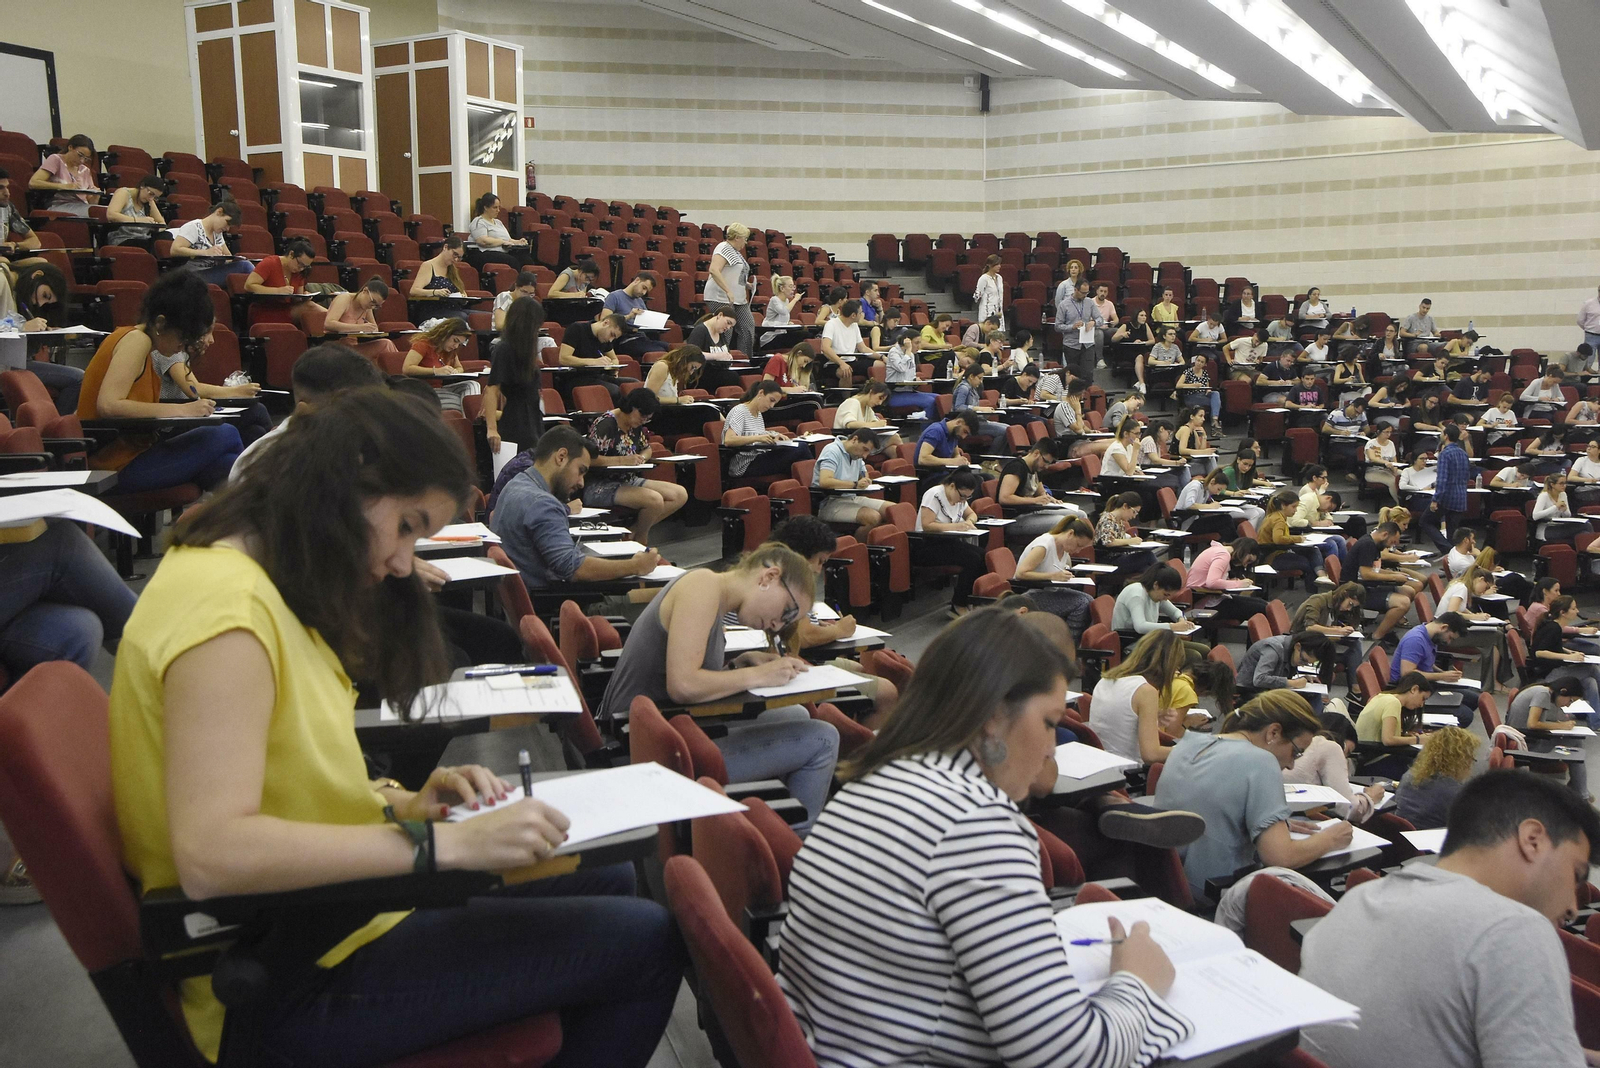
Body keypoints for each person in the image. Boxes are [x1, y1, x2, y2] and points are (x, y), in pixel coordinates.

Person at [109, 389, 683, 1066]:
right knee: (647, 941)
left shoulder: (259, 585)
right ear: (344, 488)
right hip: (288, 970)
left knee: (610, 883)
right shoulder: (226, 616)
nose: (405, 562)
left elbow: (286, 774)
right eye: (407, 525)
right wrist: (439, 849)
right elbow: (214, 855)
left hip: (323, 917)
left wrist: (402, 801)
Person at [781, 608, 1195, 1066]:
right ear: (994, 718)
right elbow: (1069, 1059)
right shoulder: (974, 825)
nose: (1047, 749)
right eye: (1047, 723)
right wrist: (1137, 981)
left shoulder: (874, 784)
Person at [1300, 771, 1598, 1068]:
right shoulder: (1514, 932)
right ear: (1533, 840)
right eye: (1576, 875)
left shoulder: (1360, 899)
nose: (1573, 906)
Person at [600, 539, 839, 819]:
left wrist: (738, 666)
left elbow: (680, 677)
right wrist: (757, 675)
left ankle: (764, 821)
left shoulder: (712, 595)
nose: (777, 625)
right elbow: (683, 686)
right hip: (641, 747)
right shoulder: (701, 586)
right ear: (769, 577)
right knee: (825, 739)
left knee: (797, 714)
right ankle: (795, 849)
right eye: (785, 612)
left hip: (661, 729)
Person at [1155, 690, 1354, 900]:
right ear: (1273, 733)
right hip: (1218, 895)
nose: (1291, 764)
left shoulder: (1188, 744)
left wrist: (1269, 823)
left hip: (1166, 886)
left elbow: (1209, 808)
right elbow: (1280, 857)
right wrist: (1329, 839)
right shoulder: (1260, 761)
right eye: (1295, 752)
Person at [76, 271, 243, 493]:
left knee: (224, 467)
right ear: (161, 323)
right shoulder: (136, 341)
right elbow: (108, 405)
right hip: (114, 465)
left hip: (132, 454)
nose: (183, 346)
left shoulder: (146, 345)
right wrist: (183, 410)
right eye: (182, 338)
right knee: (227, 434)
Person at [491, 426, 660, 592]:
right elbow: (574, 570)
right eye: (580, 471)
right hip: (556, 600)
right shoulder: (542, 503)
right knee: (656, 595)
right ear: (561, 457)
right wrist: (635, 566)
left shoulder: (515, 483)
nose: (581, 482)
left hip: (525, 596)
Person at [232, 343, 385, 478]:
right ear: (304, 411)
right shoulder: (262, 465)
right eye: (351, 413)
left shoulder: (371, 446)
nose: (363, 422)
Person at [583, 390, 687, 541]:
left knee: (679, 494)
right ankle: (641, 538)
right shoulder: (606, 424)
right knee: (654, 500)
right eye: (642, 416)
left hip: (627, 479)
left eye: (647, 419)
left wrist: (641, 458)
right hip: (600, 484)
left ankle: (632, 532)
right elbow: (589, 459)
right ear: (632, 407)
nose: (643, 421)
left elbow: (647, 448)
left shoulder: (634, 425)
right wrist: (623, 460)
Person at [1090, 629, 1188, 764]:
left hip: (1101, 763)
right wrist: (1191, 750)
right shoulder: (1146, 692)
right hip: (1128, 770)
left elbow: (1117, 722)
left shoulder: (1106, 679)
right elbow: (1151, 755)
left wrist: (1152, 716)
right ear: (1169, 666)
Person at [1284, 713, 1387, 825]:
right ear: (1342, 742)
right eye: (1347, 752)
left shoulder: (1295, 742)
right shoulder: (1329, 746)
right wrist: (1371, 797)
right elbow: (1348, 808)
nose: (1344, 759)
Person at [915, 468, 986, 615]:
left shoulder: (961, 497)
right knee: (972, 559)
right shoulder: (934, 495)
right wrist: (957, 526)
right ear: (952, 486)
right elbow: (927, 525)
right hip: (927, 545)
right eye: (962, 496)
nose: (963, 500)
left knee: (983, 555)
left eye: (967, 497)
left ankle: (971, 600)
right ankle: (958, 603)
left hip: (948, 542)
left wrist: (969, 522)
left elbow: (971, 514)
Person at [1506, 678, 1591, 800]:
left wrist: (1557, 725)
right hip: (1526, 744)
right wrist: (1561, 726)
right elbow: (1532, 724)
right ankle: (1581, 794)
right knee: (1576, 743)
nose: (1568, 704)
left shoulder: (1543, 690)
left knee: (1575, 742)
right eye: (1570, 700)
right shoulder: (1543, 694)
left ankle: (1579, 790)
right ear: (1563, 691)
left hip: (1523, 738)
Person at [1391, 612, 1477, 727]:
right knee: (1465, 715)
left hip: (1425, 684)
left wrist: (1443, 673)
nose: (1448, 642)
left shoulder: (1432, 637)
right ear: (1444, 627)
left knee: (1474, 699)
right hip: (1410, 689)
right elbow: (1407, 673)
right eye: (1450, 637)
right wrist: (1442, 677)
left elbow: (1426, 663)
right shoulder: (1415, 640)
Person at [1013, 516, 1095, 635]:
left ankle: (1069, 639)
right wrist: (1053, 576)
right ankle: (1070, 641)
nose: (1078, 550)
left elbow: (1063, 568)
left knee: (1089, 599)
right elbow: (1021, 573)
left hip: (1049, 591)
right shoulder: (1043, 546)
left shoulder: (1064, 548)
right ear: (1070, 534)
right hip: (1031, 593)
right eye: (1078, 545)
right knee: (1082, 602)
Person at [1112, 565, 1207, 659]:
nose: (1166, 599)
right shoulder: (1136, 594)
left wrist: (1181, 620)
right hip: (1133, 645)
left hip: (1150, 640)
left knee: (1204, 650)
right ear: (1156, 585)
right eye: (1166, 594)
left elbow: (1175, 612)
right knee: (1194, 656)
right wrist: (1172, 627)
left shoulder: (1155, 593)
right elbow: (1140, 627)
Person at [812, 429, 891, 540]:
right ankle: (859, 550)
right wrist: (854, 484)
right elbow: (825, 481)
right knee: (873, 518)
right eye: (865, 450)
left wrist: (865, 480)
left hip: (850, 497)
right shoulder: (832, 451)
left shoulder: (856, 455)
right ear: (855, 439)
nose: (865, 456)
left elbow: (864, 475)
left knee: (892, 510)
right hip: (829, 502)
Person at [1395, 726, 1478, 829]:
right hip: (1432, 841)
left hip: (1401, 838)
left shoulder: (1409, 776)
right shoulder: (1454, 791)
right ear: (1461, 759)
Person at [1291, 581, 1369, 690]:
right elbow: (1310, 627)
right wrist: (1338, 632)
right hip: (1305, 643)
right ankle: (1355, 688)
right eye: (1350, 604)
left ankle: (1354, 687)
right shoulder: (1318, 600)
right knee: (1351, 654)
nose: (1348, 609)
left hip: (1319, 640)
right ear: (1344, 594)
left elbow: (1323, 626)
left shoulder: (1333, 606)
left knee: (1355, 644)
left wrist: (1335, 629)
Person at [1529, 595, 1600, 711]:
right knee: (1592, 668)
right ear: (1563, 612)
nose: (1577, 611)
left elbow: (1553, 646)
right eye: (1573, 608)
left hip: (1553, 669)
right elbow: (1539, 652)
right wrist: (1567, 656)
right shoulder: (1554, 628)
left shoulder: (1552, 625)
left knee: (1590, 682)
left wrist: (1569, 651)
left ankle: (1595, 723)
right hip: (1549, 673)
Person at [1237, 631, 1335, 712]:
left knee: (1313, 695)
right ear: (1298, 647)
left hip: (1269, 691)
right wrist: (1291, 682)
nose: (1302, 664)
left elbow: (1279, 671)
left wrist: (1302, 677)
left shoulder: (1290, 648)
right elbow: (1259, 679)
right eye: (1303, 660)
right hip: (1250, 693)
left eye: (1307, 664)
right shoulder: (1273, 650)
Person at [401, 317, 480, 415]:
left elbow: (459, 367)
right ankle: (471, 423)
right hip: (423, 390)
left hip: (440, 389)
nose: (455, 346)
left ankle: (472, 419)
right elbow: (407, 368)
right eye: (455, 340)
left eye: (459, 344)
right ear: (445, 334)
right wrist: (435, 371)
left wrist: (456, 371)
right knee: (462, 403)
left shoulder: (450, 350)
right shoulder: (423, 344)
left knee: (472, 385)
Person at [168, 199, 253, 286]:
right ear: (219, 212)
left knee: (244, 265)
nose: (227, 229)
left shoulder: (217, 233)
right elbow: (175, 250)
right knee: (244, 266)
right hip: (191, 274)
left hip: (209, 271)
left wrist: (228, 258)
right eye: (227, 223)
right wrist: (205, 252)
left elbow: (228, 257)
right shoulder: (194, 227)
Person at [1184, 536, 1269, 623]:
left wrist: (1230, 581)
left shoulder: (1218, 550)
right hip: (1203, 602)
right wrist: (1238, 584)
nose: (1245, 565)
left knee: (1264, 604)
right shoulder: (1223, 555)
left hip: (1209, 597)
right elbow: (1212, 582)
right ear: (1244, 551)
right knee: (1262, 609)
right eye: (1248, 560)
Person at [1257, 489, 1327, 591]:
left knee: (1313, 551)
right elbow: (1278, 539)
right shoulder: (1278, 520)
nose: (1295, 510)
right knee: (1308, 564)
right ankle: (1313, 593)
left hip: (1275, 552)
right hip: (1271, 556)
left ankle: (1321, 579)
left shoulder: (1275, 516)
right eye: (1293, 507)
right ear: (1283, 505)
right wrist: (1298, 539)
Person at [322, 277, 402, 364]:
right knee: (385, 345)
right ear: (365, 291)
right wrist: (360, 327)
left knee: (386, 343)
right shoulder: (344, 299)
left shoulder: (368, 307)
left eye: (377, 306)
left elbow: (374, 328)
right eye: (372, 301)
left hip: (354, 346)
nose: (372, 306)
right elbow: (329, 323)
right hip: (336, 347)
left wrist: (371, 329)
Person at [702, 222, 755, 354]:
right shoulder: (723, 247)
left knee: (747, 327)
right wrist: (728, 290)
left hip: (739, 299)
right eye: (745, 238)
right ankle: (722, 359)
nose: (746, 242)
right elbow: (714, 270)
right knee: (726, 328)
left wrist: (746, 284)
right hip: (720, 297)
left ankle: (744, 359)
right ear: (737, 237)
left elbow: (734, 273)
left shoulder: (737, 253)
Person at [243, 236, 317, 329]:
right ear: (291, 254)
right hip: (265, 310)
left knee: (310, 308)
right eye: (300, 264)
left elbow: (297, 300)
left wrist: (304, 297)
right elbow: (249, 285)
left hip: (287, 308)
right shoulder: (270, 263)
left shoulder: (299, 272)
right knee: (310, 308)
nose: (301, 268)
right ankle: (333, 322)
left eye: (305, 266)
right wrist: (278, 291)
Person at [558, 312, 629, 405]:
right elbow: (563, 359)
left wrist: (613, 366)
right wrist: (593, 361)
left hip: (597, 377)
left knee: (632, 385)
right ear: (605, 323)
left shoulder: (605, 338)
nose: (610, 340)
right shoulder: (576, 329)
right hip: (575, 378)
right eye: (612, 334)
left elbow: (614, 359)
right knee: (614, 391)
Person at [29, 134, 99, 216]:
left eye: (86, 158)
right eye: (80, 155)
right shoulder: (56, 160)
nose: (82, 160)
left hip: (82, 206)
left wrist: (95, 196)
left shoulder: (85, 170)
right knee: (100, 213)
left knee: (103, 211)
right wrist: (63, 186)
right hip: (59, 206)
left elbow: (91, 202)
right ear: (70, 147)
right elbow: (33, 183)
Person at [601, 271, 668, 358]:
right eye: (644, 288)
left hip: (641, 338)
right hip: (625, 340)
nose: (644, 293)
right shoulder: (614, 296)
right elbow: (604, 320)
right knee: (660, 352)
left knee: (672, 349)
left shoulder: (639, 301)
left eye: (646, 291)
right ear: (637, 280)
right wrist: (629, 316)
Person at [1429, 422, 1473, 549]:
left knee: (1425, 521)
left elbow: (1442, 480)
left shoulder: (1445, 454)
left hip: (1447, 498)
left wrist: (1435, 499)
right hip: (1461, 497)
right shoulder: (1463, 453)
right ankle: (1451, 557)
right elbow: (1466, 476)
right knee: (1452, 532)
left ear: (1446, 436)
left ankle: (1447, 550)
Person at [464, 192, 531, 270]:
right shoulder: (479, 221)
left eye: (498, 207)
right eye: (495, 208)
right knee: (512, 261)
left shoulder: (498, 222)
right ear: (485, 207)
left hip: (503, 251)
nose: (498, 210)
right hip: (484, 253)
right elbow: (482, 241)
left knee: (526, 260)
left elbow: (507, 239)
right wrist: (501, 242)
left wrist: (517, 242)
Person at [1055, 277, 1103, 382]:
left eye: (1087, 292)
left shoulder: (1089, 302)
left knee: (1088, 374)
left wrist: (1093, 322)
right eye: (1082, 293)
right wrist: (1072, 326)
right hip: (1071, 345)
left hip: (1087, 344)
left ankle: (1086, 396)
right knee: (1074, 376)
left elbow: (1100, 319)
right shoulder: (1064, 305)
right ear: (1075, 290)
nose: (1085, 295)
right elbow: (1057, 326)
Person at [103, 173, 167, 247]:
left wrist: (154, 228)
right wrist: (138, 220)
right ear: (142, 186)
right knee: (147, 245)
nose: (151, 198)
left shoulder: (149, 200)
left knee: (166, 237)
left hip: (143, 238)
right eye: (151, 194)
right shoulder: (124, 193)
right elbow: (111, 215)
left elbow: (162, 224)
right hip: (123, 238)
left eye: (155, 197)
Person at [818, 298, 871, 386]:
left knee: (880, 364)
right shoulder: (831, 324)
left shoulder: (855, 325)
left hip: (852, 361)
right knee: (846, 372)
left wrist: (881, 357)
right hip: (834, 363)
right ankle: (846, 399)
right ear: (853, 315)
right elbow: (825, 348)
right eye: (860, 313)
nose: (862, 315)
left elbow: (863, 348)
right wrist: (841, 363)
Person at [0, 169, 43, 263]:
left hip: (4, 263)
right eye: (0, 188)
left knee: (41, 263)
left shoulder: (8, 208)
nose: (7, 193)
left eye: (7, 187)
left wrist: (15, 245)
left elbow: (35, 241)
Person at [1175, 354, 1223, 433]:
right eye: (1198, 361)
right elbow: (1178, 385)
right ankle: (1215, 423)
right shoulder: (1188, 372)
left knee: (1216, 394)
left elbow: (1207, 387)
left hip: (1203, 395)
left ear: (1205, 364)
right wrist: (1193, 385)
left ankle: (1215, 419)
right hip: (1191, 396)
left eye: (1202, 362)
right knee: (1215, 402)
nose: (1199, 363)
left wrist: (1208, 391)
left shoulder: (1205, 373)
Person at [1137, 324, 1184, 396]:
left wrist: (1176, 364)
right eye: (1170, 334)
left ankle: (1177, 393)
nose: (1173, 336)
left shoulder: (1175, 347)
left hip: (1170, 371)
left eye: (1174, 334)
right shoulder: (1157, 346)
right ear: (1164, 336)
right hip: (1158, 372)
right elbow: (1150, 361)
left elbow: (1182, 362)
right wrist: (1163, 363)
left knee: (1183, 369)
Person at [1533, 472, 1575, 541]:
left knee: (1585, 528)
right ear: (1552, 485)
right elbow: (1535, 516)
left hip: (1559, 526)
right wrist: (1555, 507)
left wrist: (1564, 510)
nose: (1564, 486)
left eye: (1565, 483)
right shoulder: (1544, 496)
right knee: (1582, 529)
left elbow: (1567, 516)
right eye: (1561, 483)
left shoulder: (1563, 494)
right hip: (1546, 529)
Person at [972, 253, 1005, 329]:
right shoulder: (984, 278)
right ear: (990, 265)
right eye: (997, 264)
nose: (999, 266)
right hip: (987, 311)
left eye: (1000, 264)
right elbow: (977, 296)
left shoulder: (999, 278)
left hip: (999, 311)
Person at [1579, 283, 1600, 353]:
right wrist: (1589, 328)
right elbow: (1580, 320)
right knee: (1588, 360)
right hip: (1591, 335)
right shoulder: (1588, 303)